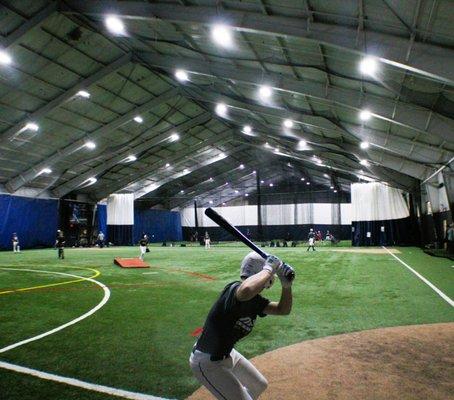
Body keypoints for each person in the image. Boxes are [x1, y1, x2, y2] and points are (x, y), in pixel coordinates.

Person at [189, 252, 293, 400]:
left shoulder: (256, 301)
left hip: (227, 353)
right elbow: (246, 290)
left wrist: (287, 286)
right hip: (207, 361)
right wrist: (269, 268)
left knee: (259, 385)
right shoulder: (234, 290)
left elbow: (283, 309)